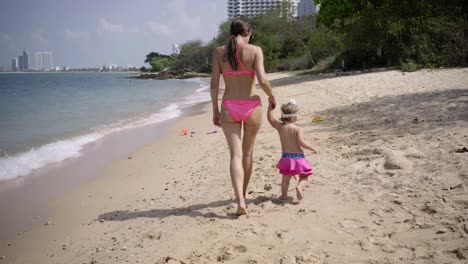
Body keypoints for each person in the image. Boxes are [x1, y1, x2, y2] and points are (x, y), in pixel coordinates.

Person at [210, 17, 276, 215]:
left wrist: (214, 109)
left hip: (229, 106)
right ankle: (244, 197)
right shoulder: (255, 50)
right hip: (252, 106)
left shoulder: (219, 52)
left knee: (235, 156)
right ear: (248, 33)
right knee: (247, 154)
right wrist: (272, 97)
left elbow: (214, 84)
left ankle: (239, 200)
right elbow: (263, 81)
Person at [267, 99, 317, 203]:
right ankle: (299, 187)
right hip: (298, 158)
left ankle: (284, 196)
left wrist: (270, 108)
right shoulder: (298, 129)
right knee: (304, 176)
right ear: (294, 117)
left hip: (286, 158)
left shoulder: (280, 127)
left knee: (286, 178)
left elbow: (271, 119)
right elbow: (301, 143)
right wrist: (312, 148)